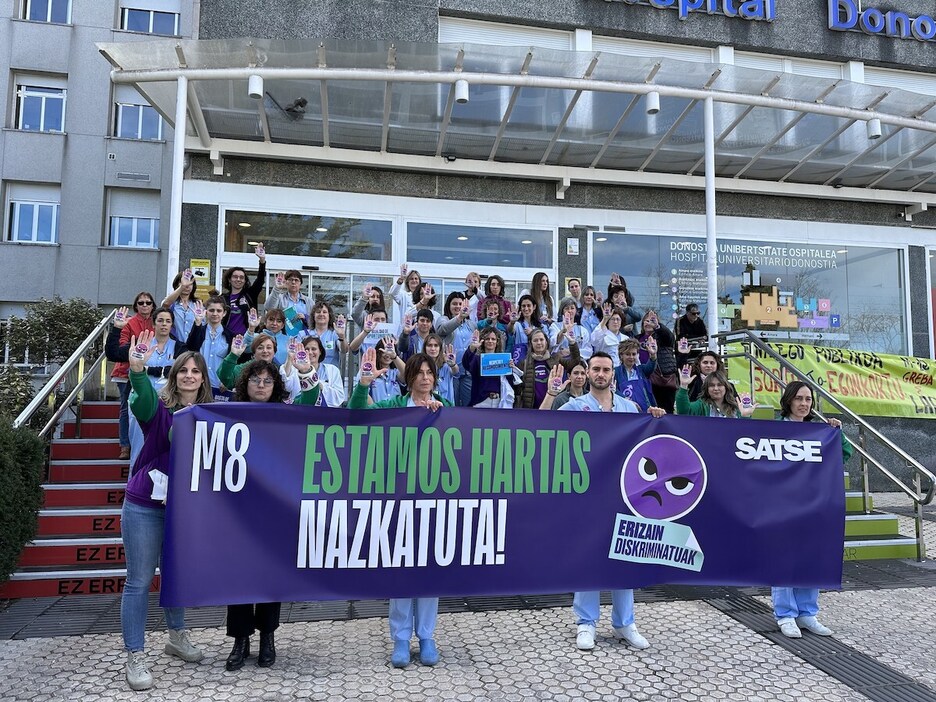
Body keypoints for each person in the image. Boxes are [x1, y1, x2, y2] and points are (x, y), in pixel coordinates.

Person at [121, 332, 212, 691]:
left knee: (175, 575)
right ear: (174, 377)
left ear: (204, 378)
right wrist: (138, 370)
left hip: (184, 510)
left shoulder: (211, 414)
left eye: (196, 370)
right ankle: (135, 653)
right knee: (139, 581)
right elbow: (142, 401)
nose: (189, 375)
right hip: (144, 506)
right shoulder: (159, 410)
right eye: (183, 370)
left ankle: (176, 636)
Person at [348, 349, 450, 668]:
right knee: (403, 570)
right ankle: (402, 638)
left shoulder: (444, 408)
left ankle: (428, 636)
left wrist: (440, 415)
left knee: (430, 571)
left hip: (432, 501)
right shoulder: (393, 407)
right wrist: (363, 385)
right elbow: (358, 415)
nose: (424, 377)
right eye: (418, 372)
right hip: (398, 500)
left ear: (435, 378)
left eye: (429, 373)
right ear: (409, 378)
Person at [558, 352, 665, 652]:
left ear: (613, 375)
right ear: (588, 373)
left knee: (625, 554)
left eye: (606, 369)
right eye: (596, 369)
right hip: (588, 495)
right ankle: (586, 622)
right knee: (589, 556)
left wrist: (654, 419)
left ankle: (624, 621)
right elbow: (547, 429)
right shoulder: (573, 408)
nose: (601, 374)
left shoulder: (630, 408)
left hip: (624, 494)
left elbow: (648, 444)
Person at [224, 358, 321, 672]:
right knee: (238, 576)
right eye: (255, 380)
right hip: (239, 510)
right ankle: (241, 639)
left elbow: (310, 398)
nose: (261, 385)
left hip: (275, 507)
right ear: (245, 384)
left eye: (267, 381)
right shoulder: (228, 412)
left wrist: (306, 371)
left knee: (269, 576)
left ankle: (267, 637)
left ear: (276, 385)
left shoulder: (284, 412)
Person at [772, 381, 852, 640]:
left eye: (808, 399)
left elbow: (845, 452)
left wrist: (836, 432)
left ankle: (807, 612)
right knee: (783, 557)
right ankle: (785, 614)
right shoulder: (773, 428)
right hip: (782, 504)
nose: (804, 404)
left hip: (813, 505)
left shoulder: (818, 431)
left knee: (810, 557)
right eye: (799, 398)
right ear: (789, 401)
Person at [110, 292, 156, 460]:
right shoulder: (129, 323)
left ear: (152, 305)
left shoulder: (157, 321)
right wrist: (137, 348)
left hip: (149, 373)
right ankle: (125, 445)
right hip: (125, 372)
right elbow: (121, 346)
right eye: (141, 302)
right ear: (136, 305)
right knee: (125, 408)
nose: (144, 305)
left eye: (148, 302)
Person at [513, 327, 580, 409]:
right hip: (531, 410)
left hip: (553, 408)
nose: (539, 343)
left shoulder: (556, 359)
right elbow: (516, 385)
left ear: (546, 342)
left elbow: (575, 362)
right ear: (531, 343)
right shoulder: (524, 363)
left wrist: (572, 343)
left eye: (541, 339)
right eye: (535, 340)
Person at [186, 296, 235, 398]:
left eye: (219, 310)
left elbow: (233, 361)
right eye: (211, 310)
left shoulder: (230, 336)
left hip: (220, 387)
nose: (215, 314)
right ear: (206, 312)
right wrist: (198, 322)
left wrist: (228, 380)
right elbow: (190, 348)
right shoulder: (199, 330)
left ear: (224, 313)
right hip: (198, 385)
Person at [435, 291, 476, 406]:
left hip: (468, 372)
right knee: (451, 404)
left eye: (460, 304)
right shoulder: (443, 319)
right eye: (454, 304)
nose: (458, 306)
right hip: (450, 371)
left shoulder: (471, 324)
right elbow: (442, 329)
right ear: (449, 305)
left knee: (469, 406)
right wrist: (459, 317)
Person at [221, 243, 266, 336]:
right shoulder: (223, 298)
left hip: (247, 337)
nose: (238, 279)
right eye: (235, 277)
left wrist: (262, 261)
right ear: (229, 279)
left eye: (241, 277)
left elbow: (260, 280)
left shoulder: (250, 294)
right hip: (227, 337)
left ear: (245, 281)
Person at [462, 327, 513, 408]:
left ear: (497, 342)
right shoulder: (477, 359)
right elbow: (466, 364)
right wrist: (472, 348)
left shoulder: (503, 359)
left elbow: (509, 382)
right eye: (487, 339)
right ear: (483, 341)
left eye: (493, 339)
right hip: (481, 401)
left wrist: (511, 368)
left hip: (499, 401)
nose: (490, 341)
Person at [638, 310, 677, 413]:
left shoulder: (663, 337)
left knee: (665, 411)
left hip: (662, 379)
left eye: (652, 321)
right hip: (643, 378)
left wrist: (657, 326)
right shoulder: (637, 338)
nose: (648, 323)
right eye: (646, 321)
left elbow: (669, 336)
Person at [676, 370, 754, 418]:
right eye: (712, 385)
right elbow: (683, 411)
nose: (716, 388)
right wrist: (683, 385)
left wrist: (745, 415)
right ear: (707, 389)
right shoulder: (701, 405)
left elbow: (745, 432)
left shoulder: (736, 407)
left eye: (719, 385)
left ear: (726, 387)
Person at [614, 339, 657, 412]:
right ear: (621, 355)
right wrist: (626, 400)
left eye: (634, 354)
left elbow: (651, 365)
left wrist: (653, 354)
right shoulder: (615, 372)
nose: (631, 357)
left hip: (645, 411)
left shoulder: (642, 369)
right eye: (627, 354)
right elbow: (613, 390)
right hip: (625, 410)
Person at [303, 301, 347, 367]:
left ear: (329, 316)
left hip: (330, 375)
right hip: (308, 373)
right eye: (318, 312)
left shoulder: (334, 334)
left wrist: (342, 337)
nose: (321, 314)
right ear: (313, 316)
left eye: (324, 312)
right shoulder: (303, 334)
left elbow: (344, 350)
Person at [161, 269, 199, 343]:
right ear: (177, 285)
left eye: (190, 284)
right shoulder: (172, 302)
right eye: (183, 283)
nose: (187, 286)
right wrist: (182, 286)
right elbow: (165, 304)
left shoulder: (197, 305)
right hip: (174, 345)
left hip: (193, 347)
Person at [422, 333, 459, 403]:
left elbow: (455, 372)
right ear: (425, 348)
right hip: (427, 405)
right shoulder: (420, 367)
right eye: (429, 345)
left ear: (440, 348)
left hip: (446, 407)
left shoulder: (446, 366)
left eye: (436, 345)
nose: (433, 348)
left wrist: (453, 365)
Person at [674, 303, 708, 369]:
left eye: (698, 313)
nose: (696, 316)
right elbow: (680, 336)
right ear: (687, 313)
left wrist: (701, 339)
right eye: (693, 313)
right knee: (683, 368)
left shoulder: (700, 321)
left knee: (696, 368)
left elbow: (705, 335)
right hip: (683, 350)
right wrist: (698, 338)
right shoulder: (680, 321)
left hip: (696, 349)